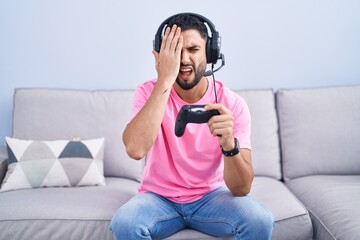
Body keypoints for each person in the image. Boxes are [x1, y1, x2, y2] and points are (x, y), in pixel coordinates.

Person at [110, 13, 274, 240]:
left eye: (193, 49)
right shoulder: (148, 92)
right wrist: (165, 79)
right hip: (158, 198)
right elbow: (135, 149)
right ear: (162, 55)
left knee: (259, 220)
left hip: (211, 197)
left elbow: (241, 189)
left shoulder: (233, 104)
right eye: (176, 50)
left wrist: (229, 144)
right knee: (125, 224)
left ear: (210, 53)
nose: (184, 59)